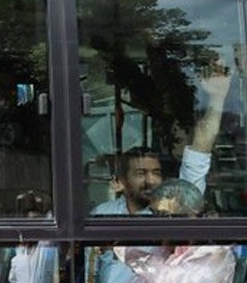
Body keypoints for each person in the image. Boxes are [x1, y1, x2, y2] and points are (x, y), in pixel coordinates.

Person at [91, 68, 231, 216]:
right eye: (141, 173)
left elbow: (201, 147)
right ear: (121, 182)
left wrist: (217, 98)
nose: (151, 180)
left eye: (156, 173)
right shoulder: (103, 214)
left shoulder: (181, 201)